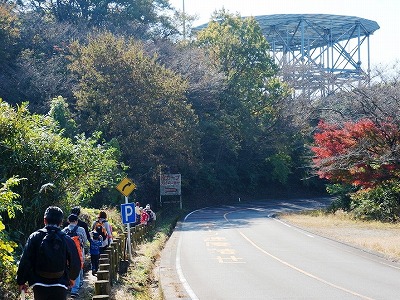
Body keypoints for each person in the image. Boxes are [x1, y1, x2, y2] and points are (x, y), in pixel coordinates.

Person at [17, 206, 81, 300]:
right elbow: (75, 261)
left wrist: (21, 281)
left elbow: (25, 260)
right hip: (60, 283)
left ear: (44, 220)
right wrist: (72, 277)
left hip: (39, 283)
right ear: (61, 222)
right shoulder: (66, 239)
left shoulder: (35, 237)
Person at [63, 214, 88, 298]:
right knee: (77, 268)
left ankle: (68, 286)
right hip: (78, 252)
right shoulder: (81, 229)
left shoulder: (64, 231)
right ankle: (75, 289)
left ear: (68, 221)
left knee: (67, 269)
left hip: (66, 254)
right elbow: (84, 241)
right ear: (76, 221)